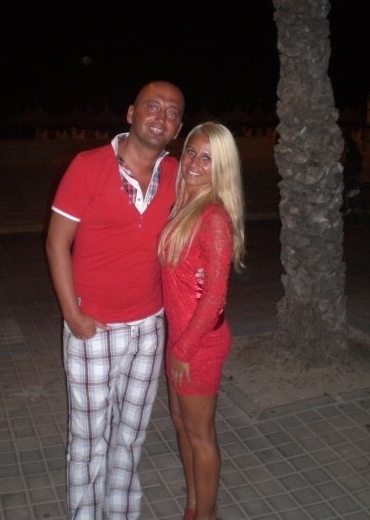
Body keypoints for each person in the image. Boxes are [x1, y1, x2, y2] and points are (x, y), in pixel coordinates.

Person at [45, 80, 185, 520]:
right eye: (152, 106)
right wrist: (73, 315)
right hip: (93, 327)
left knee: (130, 437)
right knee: (89, 440)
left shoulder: (178, 174)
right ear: (131, 113)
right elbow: (56, 244)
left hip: (148, 328)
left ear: (178, 127)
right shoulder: (87, 166)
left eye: (172, 113)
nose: (161, 117)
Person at [158, 122, 245, 520]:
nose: (194, 163)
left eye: (207, 158)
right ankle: (194, 504)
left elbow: (214, 297)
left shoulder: (212, 216)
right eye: (191, 152)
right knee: (181, 424)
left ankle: (207, 515)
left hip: (198, 343)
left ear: (221, 168)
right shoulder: (183, 205)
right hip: (179, 337)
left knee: (201, 435)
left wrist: (184, 349)